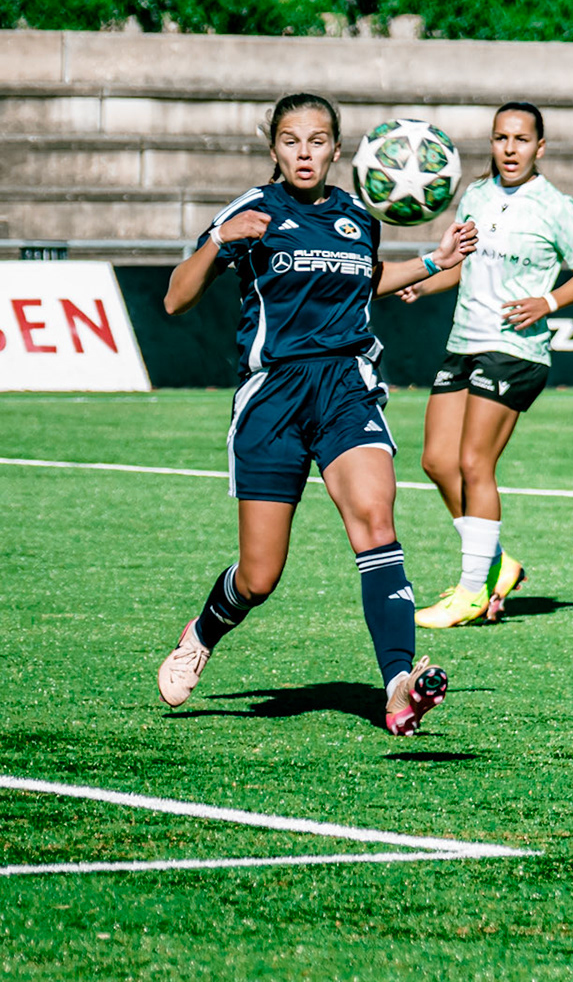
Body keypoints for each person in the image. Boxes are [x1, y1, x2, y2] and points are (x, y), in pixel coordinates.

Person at [156, 92, 480, 735]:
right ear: (272, 146)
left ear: (338, 148)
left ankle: (397, 684)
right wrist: (220, 239)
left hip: (346, 388)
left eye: (317, 140)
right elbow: (174, 299)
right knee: (258, 576)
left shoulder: (359, 215)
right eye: (291, 140)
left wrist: (435, 261)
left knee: (375, 523)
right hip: (272, 397)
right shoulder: (252, 210)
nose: (304, 152)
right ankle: (203, 631)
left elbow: (362, 280)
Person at [402, 102, 573, 628]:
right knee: (437, 462)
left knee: (475, 464)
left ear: (541, 147)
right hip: (464, 341)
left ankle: (472, 591)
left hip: (516, 349)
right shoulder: (474, 194)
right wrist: (424, 282)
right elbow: (462, 265)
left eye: (520, 139)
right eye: (500, 138)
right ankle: (496, 563)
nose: (509, 149)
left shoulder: (556, 206)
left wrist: (549, 303)